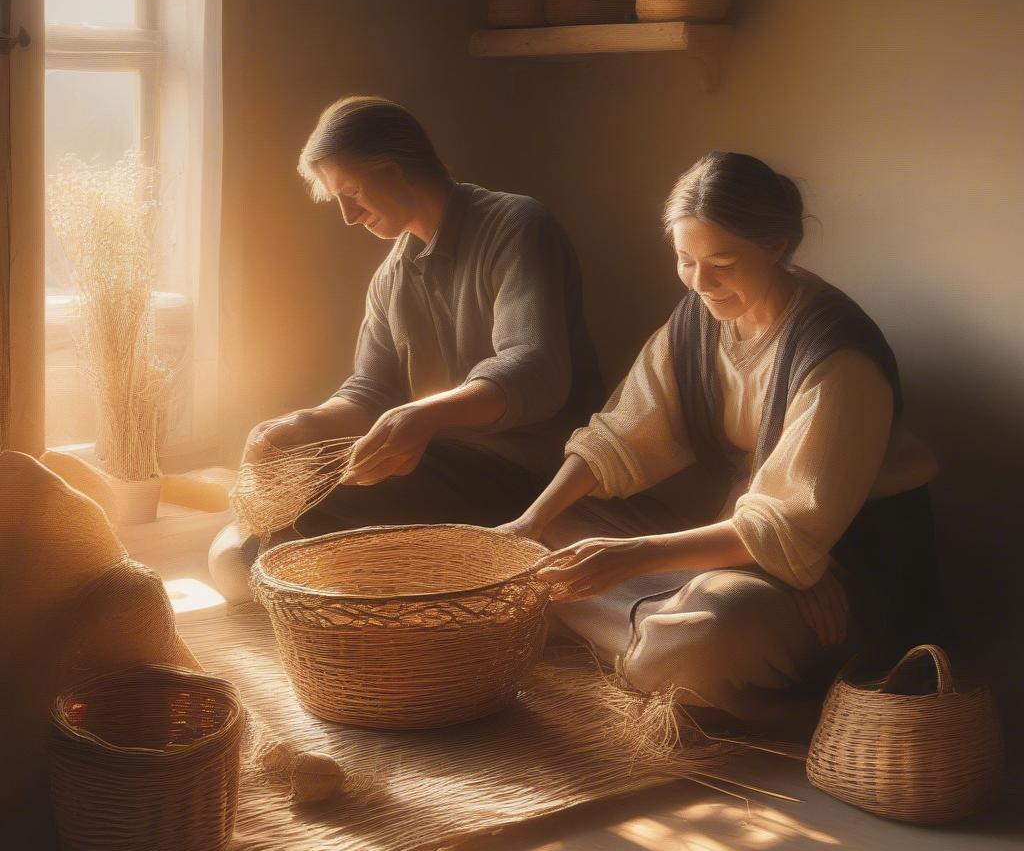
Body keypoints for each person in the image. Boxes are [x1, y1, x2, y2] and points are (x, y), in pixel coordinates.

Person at [500, 151, 940, 736]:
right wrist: (529, 522)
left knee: (717, 621)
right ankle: (659, 642)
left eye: (723, 264)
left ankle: (677, 653)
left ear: (777, 244)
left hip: (852, 578)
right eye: (685, 261)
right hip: (777, 560)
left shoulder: (837, 357)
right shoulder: (701, 318)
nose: (701, 283)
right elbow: (620, 434)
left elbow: (788, 528)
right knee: (561, 530)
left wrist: (639, 557)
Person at [209, 96, 603, 599]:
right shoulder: (392, 276)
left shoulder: (517, 226)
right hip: (445, 463)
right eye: (337, 200)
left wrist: (424, 416)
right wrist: (302, 426)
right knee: (280, 515)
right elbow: (372, 389)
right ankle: (303, 563)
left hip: (531, 474)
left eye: (351, 192)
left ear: (395, 169)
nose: (348, 216)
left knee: (283, 533)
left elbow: (536, 370)